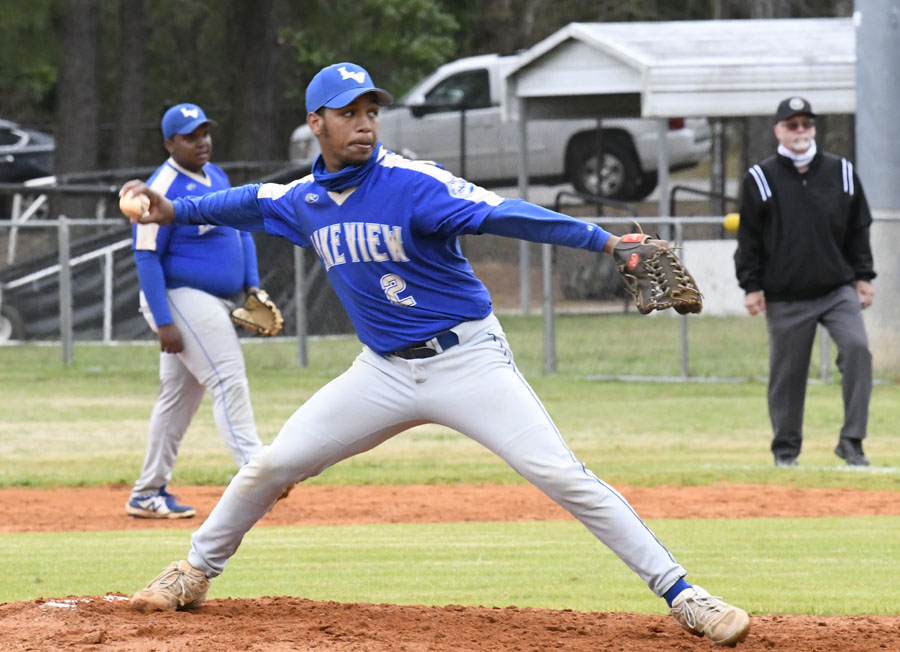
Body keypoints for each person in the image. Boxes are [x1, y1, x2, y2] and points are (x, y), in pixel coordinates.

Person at [121, 63, 750, 646]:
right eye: (347, 112)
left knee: (560, 474)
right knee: (270, 465)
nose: (364, 121)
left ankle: (684, 594)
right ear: (316, 123)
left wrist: (605, 240)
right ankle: (192, 572)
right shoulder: (304, 202)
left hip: (467, 360)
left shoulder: (413, 184)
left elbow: (509, 215)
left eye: (371, 110)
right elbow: (247, 203)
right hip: (383, 372)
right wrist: (170, 208)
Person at [125, 103, 266, 519]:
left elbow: (242, 232)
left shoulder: (216, 176)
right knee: (228, 379)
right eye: (190, 136)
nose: (201, 141)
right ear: (169, 143)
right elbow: (146, 257)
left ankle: (147, 493)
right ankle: (258, 471)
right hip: (178, 297)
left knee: (178, 399)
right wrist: (164, 322)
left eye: (204, 132)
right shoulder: (161, 185)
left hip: (211, 300)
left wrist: (252, 286)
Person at [735, 96, 876, 468]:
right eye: (792, 125)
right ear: (778, 130)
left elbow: (859, 228)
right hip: (785, 296)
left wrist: (863, 276)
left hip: (836, 289)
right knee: (788, 375)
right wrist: (751, 286)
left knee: (858, 350)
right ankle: (786, 451)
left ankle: (852, 442)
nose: (800, 131)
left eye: (806, 124)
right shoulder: (760, 178)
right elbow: (748, 238)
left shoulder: (841, 172)